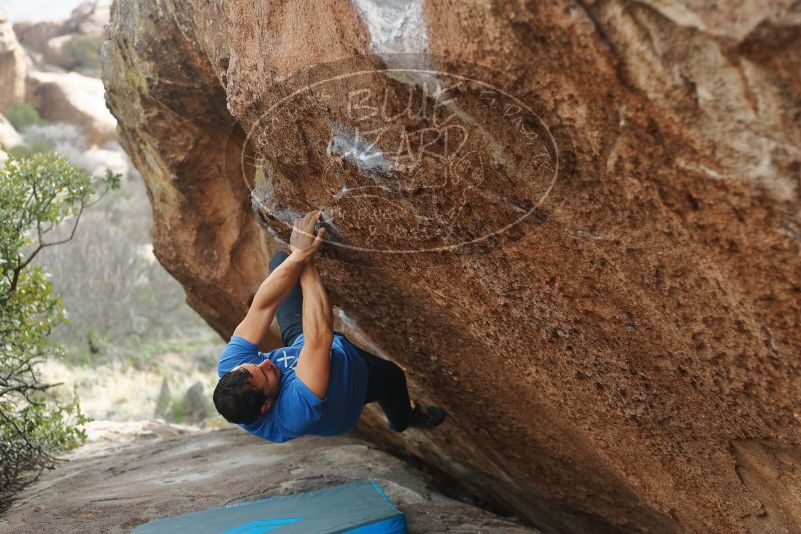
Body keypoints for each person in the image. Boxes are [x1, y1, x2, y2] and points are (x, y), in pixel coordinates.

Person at [213, 210, 445, 443]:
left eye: (255, 365)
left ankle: (295, 267)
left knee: (281, 263)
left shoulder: (232, 369)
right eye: (265, 373)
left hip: (303, 347)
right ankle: (404, 419)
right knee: (392, 377)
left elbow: (263, 307)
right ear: (266, 405)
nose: (266, 361)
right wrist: (307, 259)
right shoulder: (293, 414)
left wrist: (296, 258)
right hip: (348, 384)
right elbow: (320, 339)